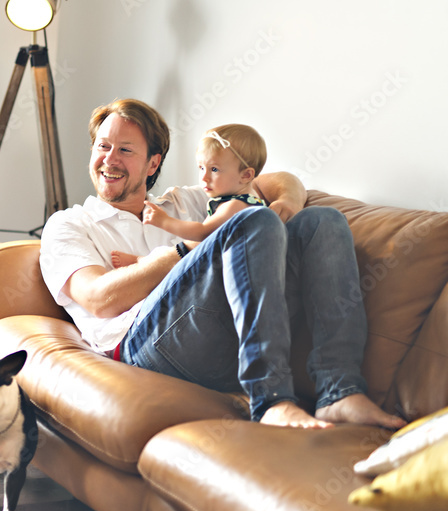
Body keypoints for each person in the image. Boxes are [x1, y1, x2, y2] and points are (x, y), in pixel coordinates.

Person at [40, 98, 405, 430]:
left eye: (125, 150)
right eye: (103, 147)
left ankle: (339, 391)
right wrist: (184, 251)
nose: (110, 159)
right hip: (143, 345)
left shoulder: (188, 202)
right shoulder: (69, 224)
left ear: (153, 163)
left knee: (322, 222)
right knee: (251, 221)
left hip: (221, 333)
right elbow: (99, 299)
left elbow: (279, 180)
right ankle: (270, 399)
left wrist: (289, 202)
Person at [111, 123, 268, 268]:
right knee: (176, 251)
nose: (204, 177)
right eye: (201, 168)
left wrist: (164, 221)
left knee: (182, 250)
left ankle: (142, 261)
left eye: (214, 169)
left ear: (246, 176)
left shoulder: (236, 205)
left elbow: (203, 232)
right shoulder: (241, 199)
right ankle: (144, 261)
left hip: (238, 268)